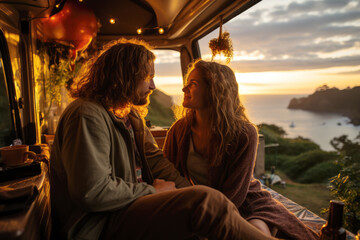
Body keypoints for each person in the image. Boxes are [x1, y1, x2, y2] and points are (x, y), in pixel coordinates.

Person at [50, 39, 279, 240]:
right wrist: (154, 192)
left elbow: (158, 163)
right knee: (206, 202)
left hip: (125, 209)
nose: (153, 86)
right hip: (99, 224)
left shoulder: (129, 117)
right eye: (147, 77)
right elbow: (92, 192)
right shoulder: (87, 115)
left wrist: (187, 194)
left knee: (210, 203)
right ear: (124, 76)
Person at [163, 60, 319, 240]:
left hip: (245, 202)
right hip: (200, 205)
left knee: (258, 232)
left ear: (215, 89)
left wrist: (208, 221)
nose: (184, 89)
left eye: (193, 84)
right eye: (187, 83)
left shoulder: (244, 133)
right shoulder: (179, 130)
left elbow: (235, 196)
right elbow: (169, 176)